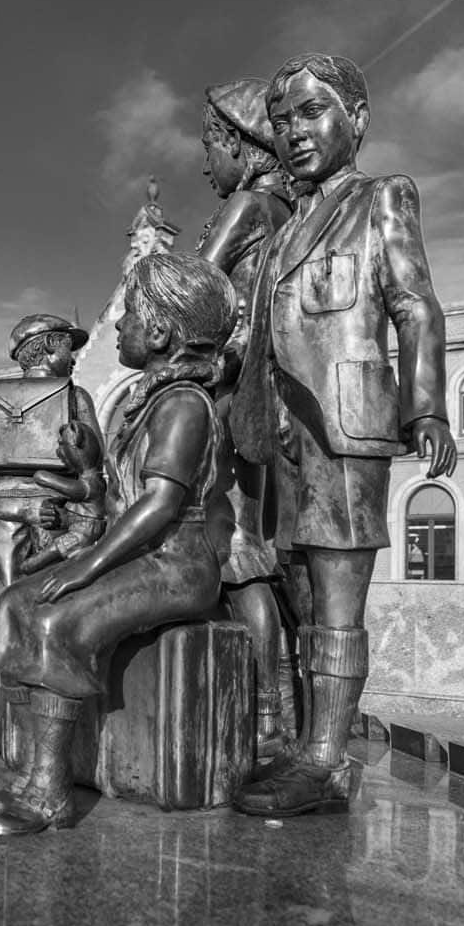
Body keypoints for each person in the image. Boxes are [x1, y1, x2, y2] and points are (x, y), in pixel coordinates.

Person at [230, 53, 456, 818]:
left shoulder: (381, 197)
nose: (294, 132)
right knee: (297, 596)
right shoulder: (286, 228)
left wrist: (426, 408)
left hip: (348, 430)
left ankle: (324, 763)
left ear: (355, 120)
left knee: (334, 607)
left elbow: (416, 306)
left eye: (311, 111)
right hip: (284, 438)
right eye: (284, 119)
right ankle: (305, 744)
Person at [0, 252, 239, 837]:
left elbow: (159, 505)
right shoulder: (149, 400)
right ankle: (33, 766)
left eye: (128, 317)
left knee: (58, 623)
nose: (118, 327)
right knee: (18, 602)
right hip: (146, 555)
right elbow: (114, 493)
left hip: (179, 564)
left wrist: (87, 565)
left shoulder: (182, 404)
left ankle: (49, 794)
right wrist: (87, 471)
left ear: (162, 332)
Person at [194, 76, 299, 757]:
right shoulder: (287, 215)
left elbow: (192, 287)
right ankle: (273, 703)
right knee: (245, 550)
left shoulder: (249, 206)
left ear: (241, 144)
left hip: (230, 391)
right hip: (264, 396)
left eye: (210, 147)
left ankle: (268, 709)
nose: (206, 165)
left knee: (237, 551)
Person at [0, 313, 103, 755]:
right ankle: (20, 720)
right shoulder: (74, 397)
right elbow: (97, 466)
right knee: (23, 608)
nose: (73, 357)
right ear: (45, 348)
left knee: (22, 608)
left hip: (45, 509)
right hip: (36, 508)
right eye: (66, 348)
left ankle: (34, 720)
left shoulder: (7, 398)